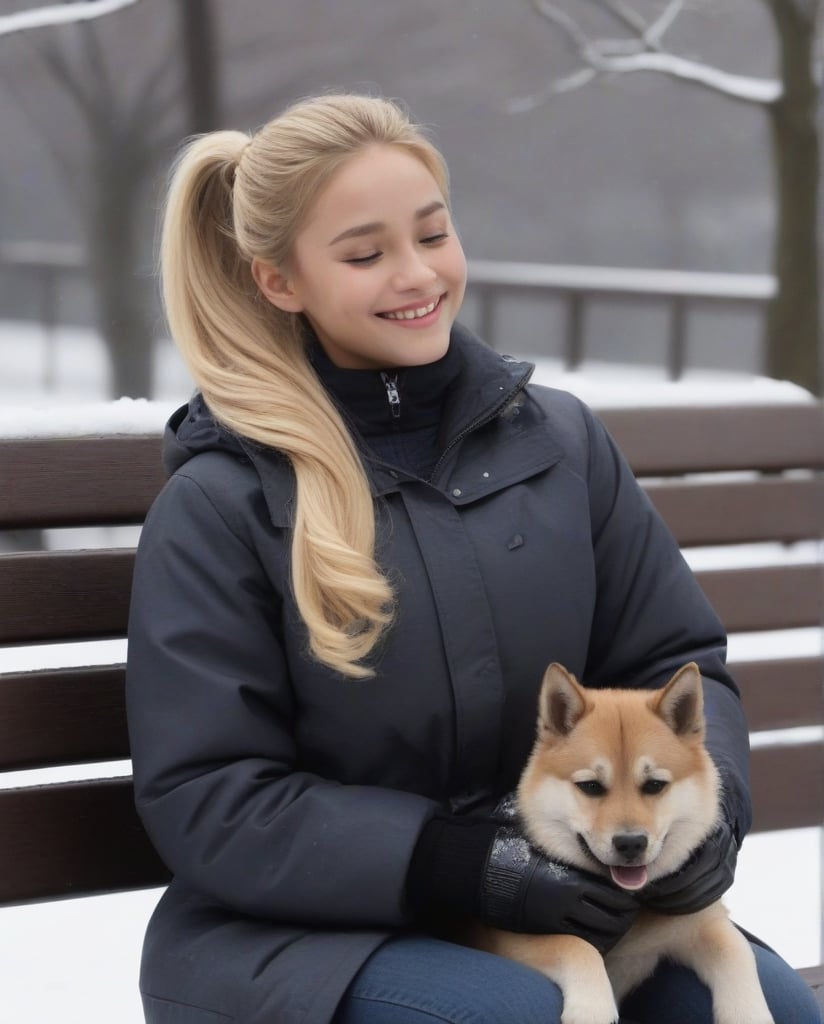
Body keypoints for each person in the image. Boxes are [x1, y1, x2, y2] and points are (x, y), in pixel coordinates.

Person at [125, 93, 820, 1024]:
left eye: (433, 234)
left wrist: (710, 812)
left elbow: (673, 663)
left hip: (567, 897)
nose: (417, 274)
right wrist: (450, 861)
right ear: (279, 282)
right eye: (366, 254)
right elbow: (209, 795)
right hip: (298, 942)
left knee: (764, 1006)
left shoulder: (562, 446)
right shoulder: (226, 502)